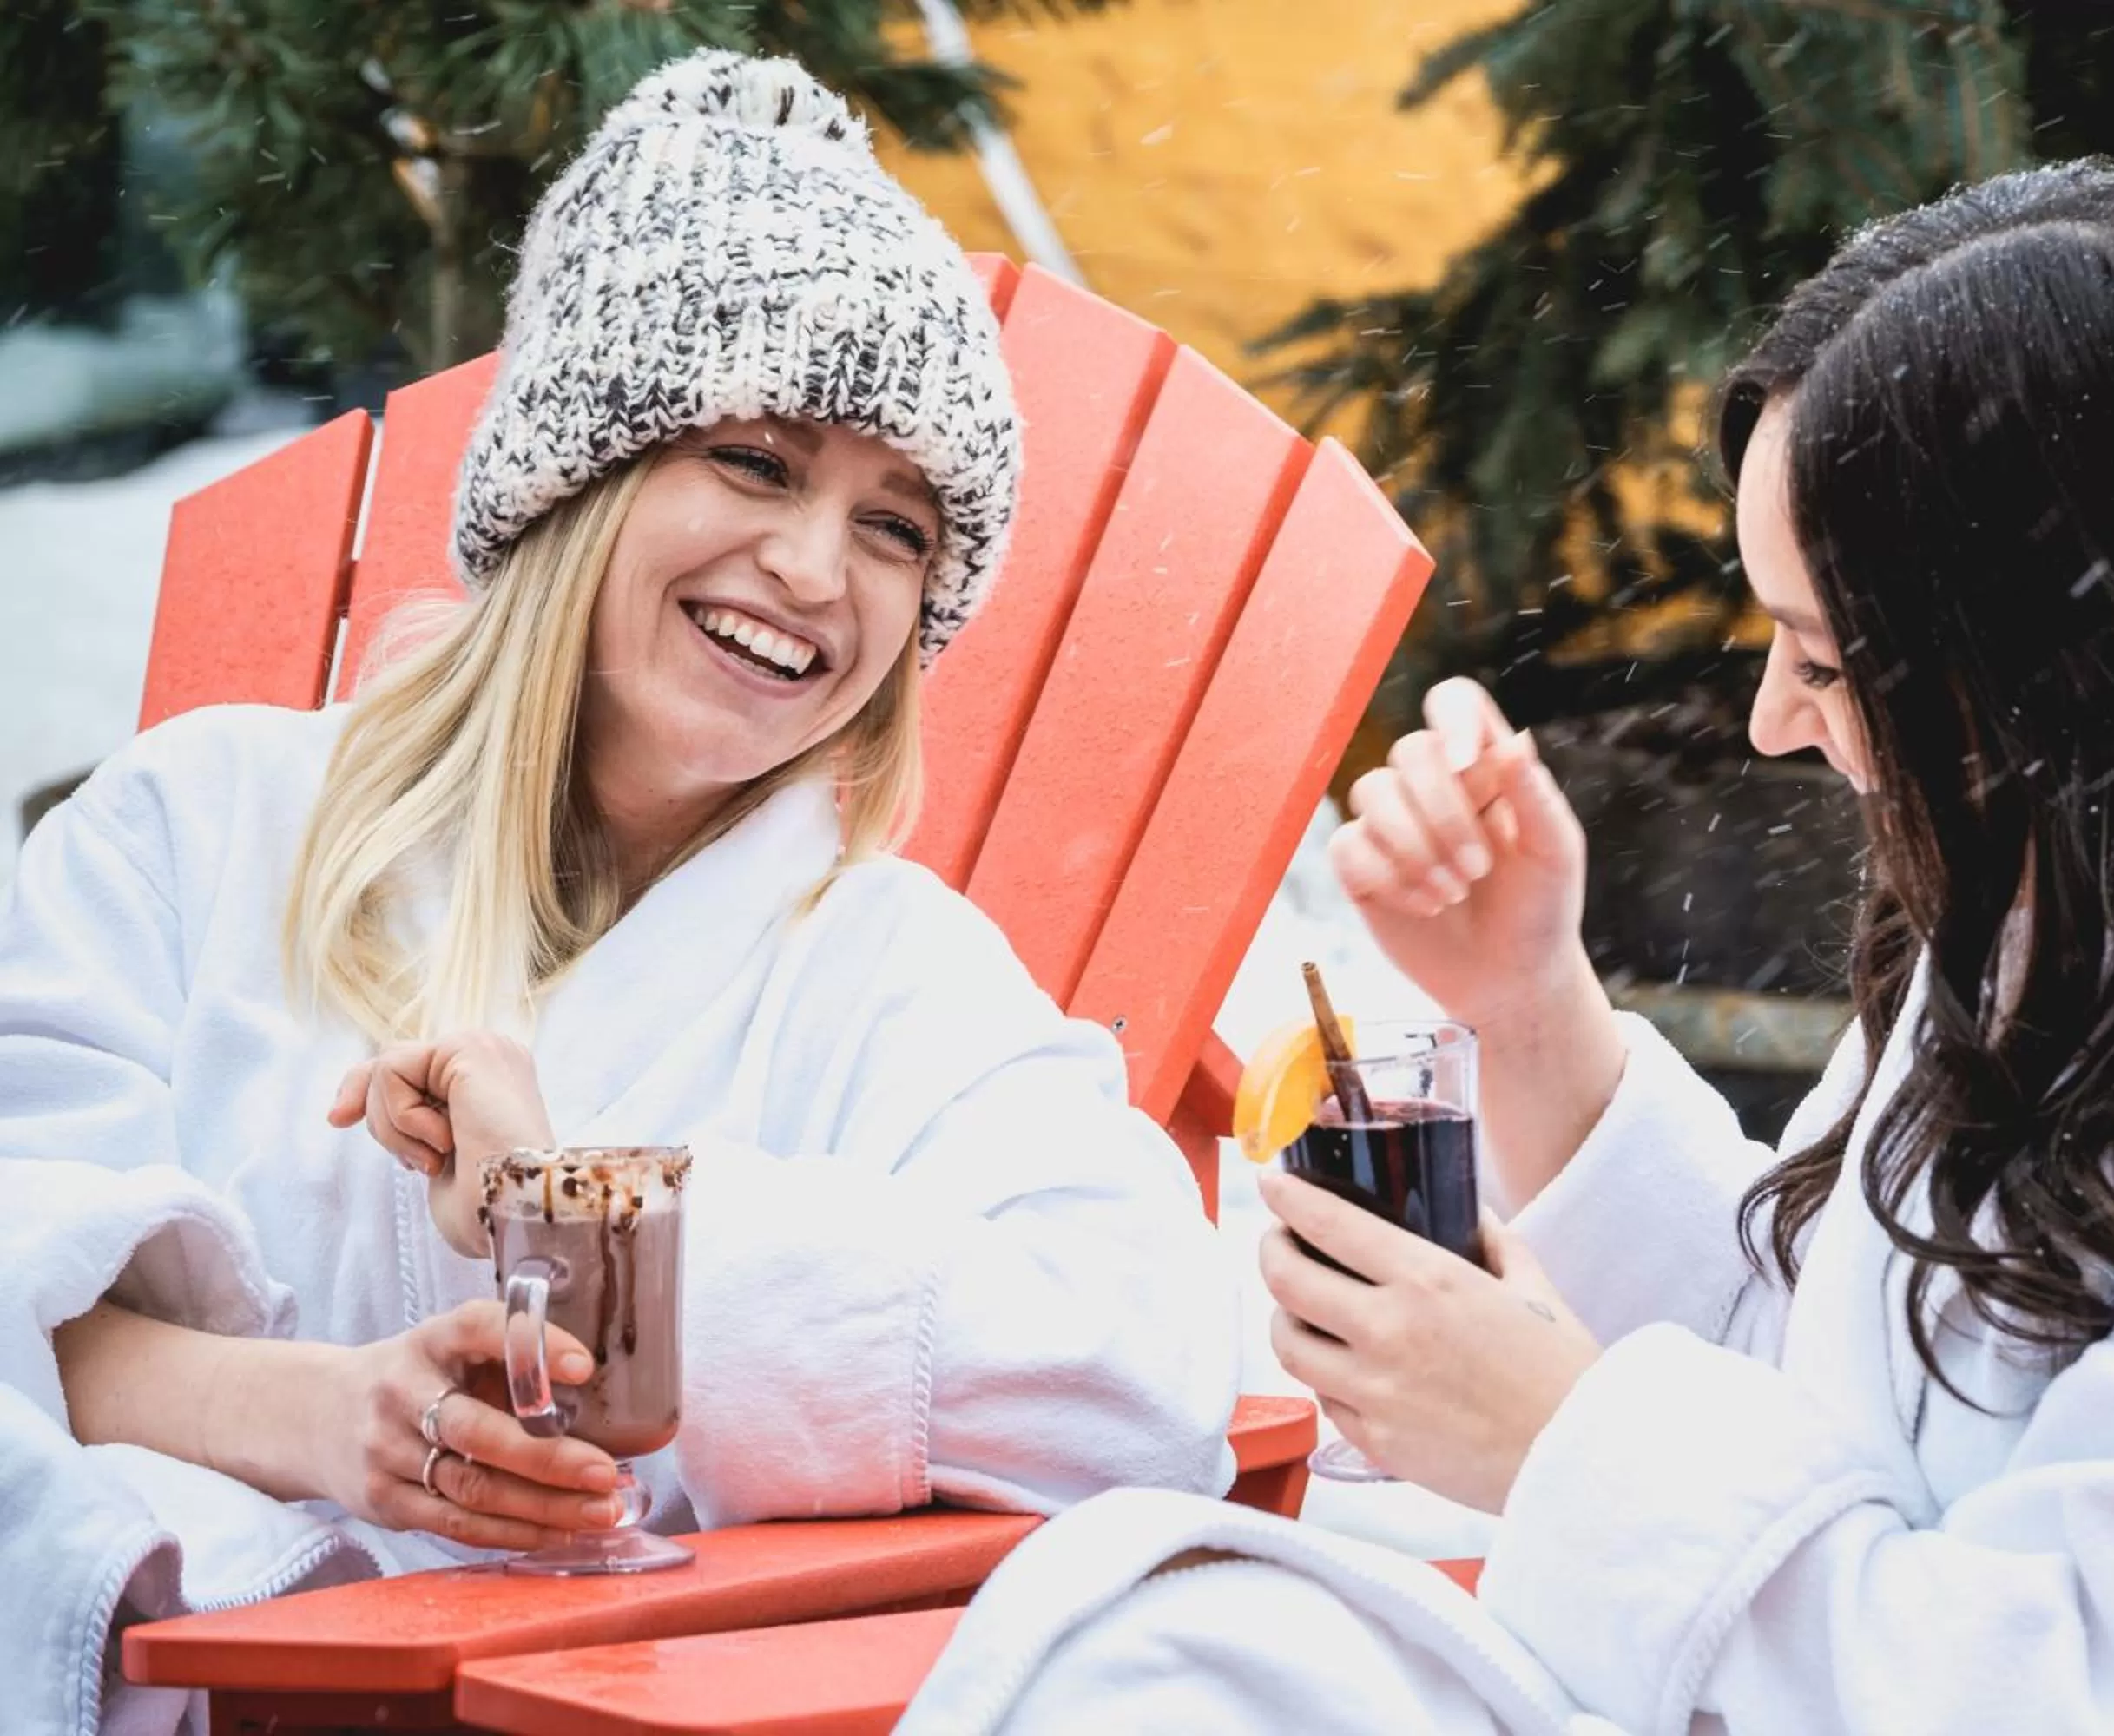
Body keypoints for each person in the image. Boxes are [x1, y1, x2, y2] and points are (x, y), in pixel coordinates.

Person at [899, 161, 2114, 1734]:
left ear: (2064, 656)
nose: (1777, 721)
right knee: (1140, 1650)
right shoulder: (2079, 914)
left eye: (1827, 655)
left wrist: (1560, 1444)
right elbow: (1808, 1385)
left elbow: (2113, 1693)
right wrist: (1532, 1006)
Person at [0, 50, 1237, 1735]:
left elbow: (1134, 1383)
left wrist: (578, 1212)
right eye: (753, 461)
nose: (816, 571)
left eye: (898, 527)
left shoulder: (886, 976)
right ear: (578, 476)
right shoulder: (190, 831)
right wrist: (324, 1419)